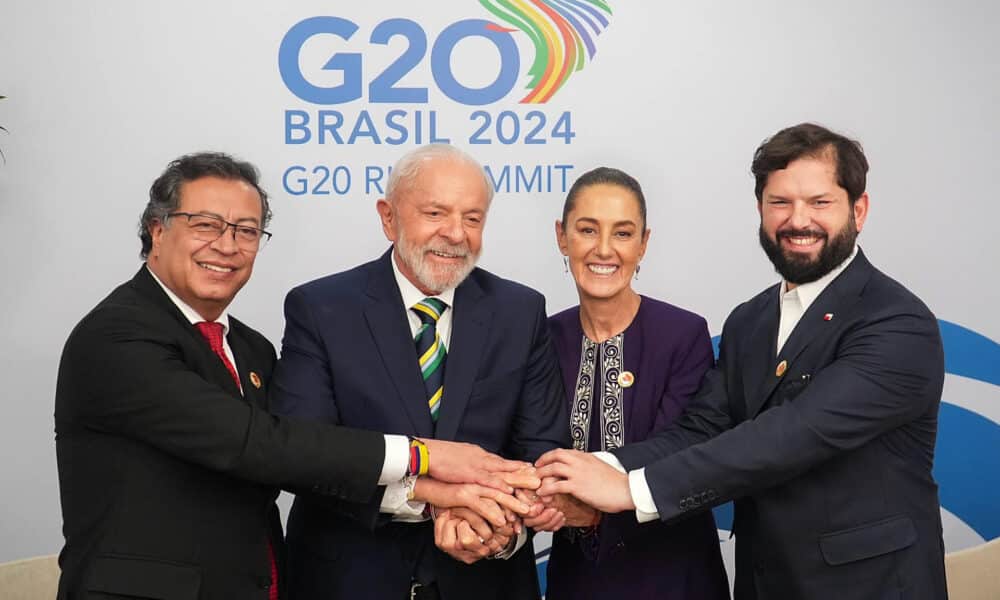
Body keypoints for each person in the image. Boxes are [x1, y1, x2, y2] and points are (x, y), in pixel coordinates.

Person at [54, 152, 524, 600]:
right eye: (205, 225)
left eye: (246, 230)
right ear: (157, 230)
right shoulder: (116, 337)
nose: (226, 245)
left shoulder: (249, 348)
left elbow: (301, 459)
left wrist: (441, 497)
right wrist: (426, 458)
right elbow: (259, 443)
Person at [536, 123, 948, 599]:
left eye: (819, 202)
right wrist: (596, 468)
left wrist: (630, 490)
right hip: (763, 583)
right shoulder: (749, 321)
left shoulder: (897, 322)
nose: (798, 220)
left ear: (859, 210)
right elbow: (701, 430)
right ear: (760, 210)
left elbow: (793, 434)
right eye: (780, 202)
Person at [270, 144, 569, 600]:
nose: (456, 234)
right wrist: (429, 497)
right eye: (435, 213)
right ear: (388, 217)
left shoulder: (520, 311)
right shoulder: (320, 308)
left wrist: (499, 527)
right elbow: (305, 454)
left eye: (473, 218)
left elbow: (541, 449)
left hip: (485, 581)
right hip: (350, 581)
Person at [542, 167, 730, 599]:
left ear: (643, 243)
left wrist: (590, 483)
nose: (603, 249)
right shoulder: (543, 339)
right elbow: (533, 447)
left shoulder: (682, 334)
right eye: (587, 229)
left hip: (672, 577)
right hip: (577, 580)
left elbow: (683, 451)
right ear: (562, 236)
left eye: (623, 234)